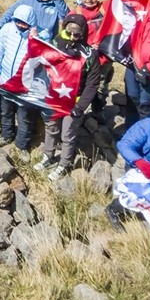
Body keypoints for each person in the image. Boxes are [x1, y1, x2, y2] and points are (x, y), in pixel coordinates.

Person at [33, 14, 102, 180]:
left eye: (77, 34)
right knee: (51, 128)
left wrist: (80, 107)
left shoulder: (90, 55)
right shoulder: (55, 45)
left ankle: (64, 163)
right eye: (69, 32)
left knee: (67, 135)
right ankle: (48, 156)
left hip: (74, 103)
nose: (72, 37)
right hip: (54, 99)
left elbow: (92, 84)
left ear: (83, 33)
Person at [0, 4, 36, 150]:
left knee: (24, 117)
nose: (21, 25)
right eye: (18, 21)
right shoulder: (7, 29)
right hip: (5, 80)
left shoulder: (37, 36)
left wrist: (35, 39)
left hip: (25, 86)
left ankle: (22, 146)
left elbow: (42, 59)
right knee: (5, 111)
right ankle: (6, 136)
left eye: (24, 23)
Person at [70, 0, 113, 114]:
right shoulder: (74, 14)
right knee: (82, 86)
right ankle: (79, 113)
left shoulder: (104, 9)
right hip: (84, 60)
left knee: (101, 87)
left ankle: (97, 113)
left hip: (103, 58)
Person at [0, 0, 69, 41]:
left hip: (44, 41)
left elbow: (67, 17)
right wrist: (0, 26)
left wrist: (59, 0)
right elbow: (10, 12)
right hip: (24, 37)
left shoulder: (57, 4)